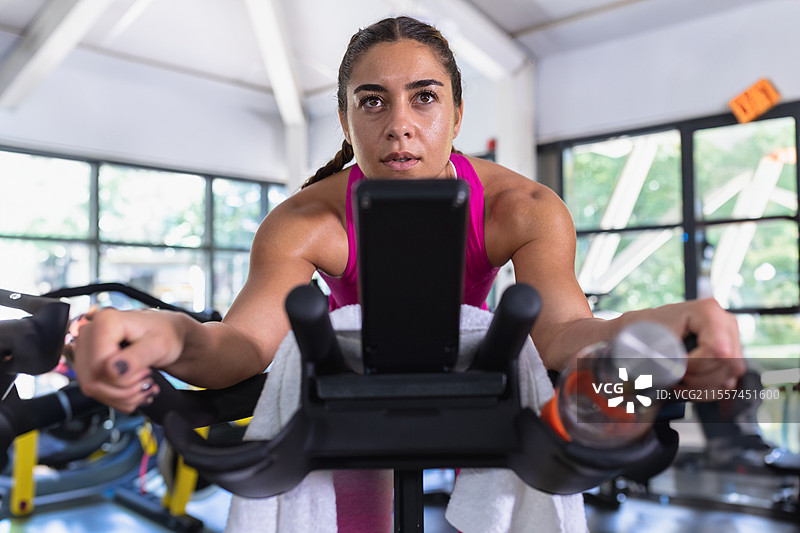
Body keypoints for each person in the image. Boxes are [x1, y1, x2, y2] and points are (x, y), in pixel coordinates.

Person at [71, 15, 745, 529]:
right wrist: (164, 334)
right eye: (373, 101)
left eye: (424, 98)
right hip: (355, 387)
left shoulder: (524, 207)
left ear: (455, 113)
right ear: (345, 116)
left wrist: (656, 329)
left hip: (479, 379)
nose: (400, 125)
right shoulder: (306, 221)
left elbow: (563, 334)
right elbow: (243, 346)